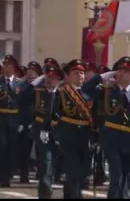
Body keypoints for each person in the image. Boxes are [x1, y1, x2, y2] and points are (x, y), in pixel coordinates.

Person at [82, 56, 130, 198]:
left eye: (126, 71)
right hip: (110, 139)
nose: (122, 73)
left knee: (124, 176)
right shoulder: (106, 90)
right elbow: (85, 89)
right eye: (120, 70)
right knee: (116, 174)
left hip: (129, 141)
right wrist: (103, 76)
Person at [51, 59, 93, 199]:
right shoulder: (61, 92)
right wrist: (54, 134)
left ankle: (69, 195)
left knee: (82, 171)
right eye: (76, 73)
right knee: (73, 170)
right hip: (68, 137)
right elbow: (53, 114)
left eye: (82, 73)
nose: (80, 76)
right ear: (67, 76)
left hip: (84, 137)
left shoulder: (89, 93)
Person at [0, 55, 27, 187]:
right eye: (4, 65)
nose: (5, 67)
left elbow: (23, 105)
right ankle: (2, 177)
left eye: (8, 65)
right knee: (1, 147)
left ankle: (8, 174)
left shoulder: (20, 83)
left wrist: (22, 122)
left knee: (11, 149)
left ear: (14, 68)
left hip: (14, 120)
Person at [26, 65, 62, 198]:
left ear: (59, 79)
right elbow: (23, 95)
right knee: (45, 164)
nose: (49, 80)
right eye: (48, 77)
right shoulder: (38, 93)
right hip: (42, 134)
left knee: (57, 165)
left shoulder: (63, 94)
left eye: (53, 78)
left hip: (60, 135)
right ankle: (45, 192)